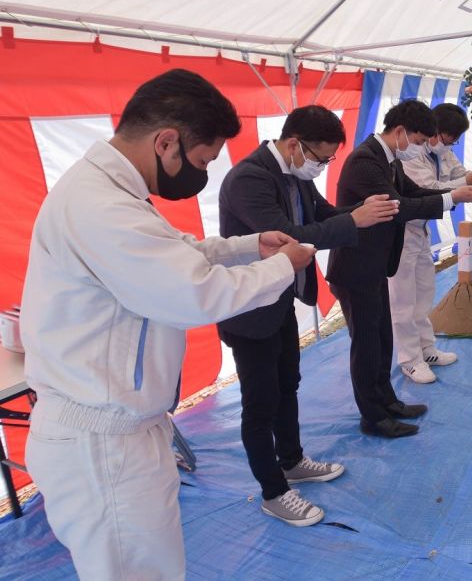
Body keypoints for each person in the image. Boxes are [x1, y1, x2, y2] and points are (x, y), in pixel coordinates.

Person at [21, 69, 316, 580]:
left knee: (155, 567)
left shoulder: (113, 192)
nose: (201, 174)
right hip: (101, 442)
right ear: (166, 142)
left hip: (123, 430)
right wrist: (281, 268)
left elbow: (174, 252)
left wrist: (249, 247)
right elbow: (191, 294)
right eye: (201, 161)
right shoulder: (100, 205)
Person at [217, 105, 399, 526]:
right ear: (295, 145)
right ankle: (274, 491)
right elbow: (292, 240)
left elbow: (322, 214)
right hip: (249, 309)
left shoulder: (293, 176)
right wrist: (354, 219)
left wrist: (359, 213)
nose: (322, 167)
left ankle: (293, 459)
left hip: (278, 300)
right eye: (321, 159)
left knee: (288, 384)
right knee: (260, 402)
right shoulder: (250, 179)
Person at [327, 100, 472, 438]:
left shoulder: (391, 160)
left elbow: (416, 192)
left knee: (382, 338)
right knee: (367, 345)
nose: (419, 148)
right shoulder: (365, 162)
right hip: (356, 267)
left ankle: (387, 400)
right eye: (417, 140)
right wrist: (453, 196)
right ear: (400, 132)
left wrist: (455, 194)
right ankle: (372, 416)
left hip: (377, 264)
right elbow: (400, 207)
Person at [387, 102, 472, 384]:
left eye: (453, 141)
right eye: (443, 138)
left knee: (424, 294)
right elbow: (428, 191)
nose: (446, 144)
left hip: (421, 230)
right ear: (430, 131)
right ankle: (409, 360)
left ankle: (426, 350)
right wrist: (468, 181)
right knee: (403, 301)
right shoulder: (411, 155)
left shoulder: (443, 152)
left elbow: (457, 177)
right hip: (399, 233)